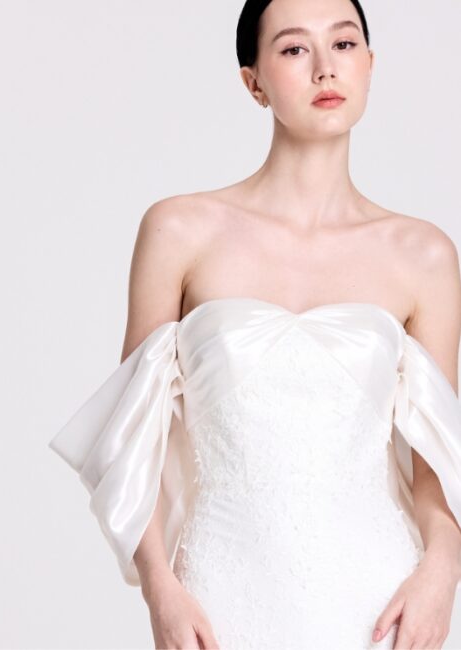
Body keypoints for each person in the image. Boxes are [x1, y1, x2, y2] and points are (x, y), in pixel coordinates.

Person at [48, 0, 461, 647]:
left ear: (370, 64)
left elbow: (436, 470)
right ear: (254, 81)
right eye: (295, 49)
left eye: (344, 44)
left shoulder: (424, 255)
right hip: (221, 596)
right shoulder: (178, 231)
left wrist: (442, 572)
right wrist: (160, 588)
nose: (325, 68)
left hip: (378, 603)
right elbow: (134, 441)